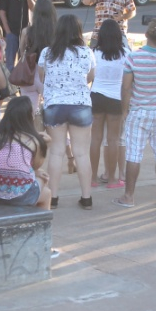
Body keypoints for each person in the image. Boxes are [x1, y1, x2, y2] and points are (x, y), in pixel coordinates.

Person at [113, 18, 156, 209]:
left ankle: (129, 196)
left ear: (146, 35)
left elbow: (126, 87)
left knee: (133, 154)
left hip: (139, 111)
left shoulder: (133, 57)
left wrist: (125, 111)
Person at [38, 14, 96, 209]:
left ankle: (53, 197)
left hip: (55, 105)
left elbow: (42, 76)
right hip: (80, 104)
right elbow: (91, 76)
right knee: (81, 153)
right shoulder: (86, 52)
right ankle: (86, 198)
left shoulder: (47, 52)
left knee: (56, 152)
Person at [0, 96, 52, 209]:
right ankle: (41, 225)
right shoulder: (33, 140)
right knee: (46, 190)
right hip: (21, 196)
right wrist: (45, 144)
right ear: (29, 117)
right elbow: (36, 165)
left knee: (37, 175)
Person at [89, 19, 126, 189]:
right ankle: (112, 179)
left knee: (95, 139)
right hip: (115, 98)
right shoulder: (125, 53)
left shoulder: (94, 53)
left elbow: (90, 76)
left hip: (96, 96)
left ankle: (93, 178)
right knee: (113, 140)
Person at [19, 0, 57, 115]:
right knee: (52, 114)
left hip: (29, 75)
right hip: (49, 75)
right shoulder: (57, 32)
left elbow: (21, 53)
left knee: (29, 115)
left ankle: (32, 132)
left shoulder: (27, 32)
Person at [0, 0, 34, 71]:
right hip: (12, 31)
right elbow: (2, 12)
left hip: (26, 30)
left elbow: (33, 7)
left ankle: (22, 83)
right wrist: (7, 31)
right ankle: (10, 85)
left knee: (25, 60)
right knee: (10, 62)